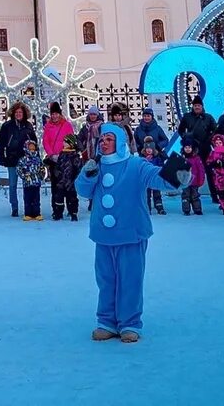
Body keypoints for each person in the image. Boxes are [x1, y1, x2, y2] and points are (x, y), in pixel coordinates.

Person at [75, 123, 187, 343]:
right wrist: (87, 174)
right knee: (106, 280)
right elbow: (83, 190)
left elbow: (158, 178)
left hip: (131, 233)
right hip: (104, 237)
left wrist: (181, 171)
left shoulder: (135, 165)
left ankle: (129, 322)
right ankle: (106, 321)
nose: (104, 143)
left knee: (130, 279)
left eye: (109, 139)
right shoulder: (96, 165)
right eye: (102, 139)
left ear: (120, 142)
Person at [0, 102, 36, 218]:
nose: (18, 114)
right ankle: (14, 207)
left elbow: (33, 141)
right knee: (12, 184)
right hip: (12, 158)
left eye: (20, 112)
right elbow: (1, 143)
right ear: (13, 113)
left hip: (25, 159)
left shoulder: (28, 126)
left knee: (26, 184)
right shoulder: (7, 126)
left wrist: (34, 154)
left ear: (24, 113)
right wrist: (1, 157)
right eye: (17, 112)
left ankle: (27, 206)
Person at [178, 97, 218, 203]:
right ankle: (192, 195)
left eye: (198, 106)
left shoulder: (208, 117)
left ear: (202, 106)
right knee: (191, 172)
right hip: (192, 149)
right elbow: (180, 130)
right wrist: (186, 139)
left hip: (206, 147)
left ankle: (215, 196)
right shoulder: (187, 117)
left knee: (210, 172)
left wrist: (209, 139)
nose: (197, 107)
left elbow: (215, 129)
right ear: (193, 106)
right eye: (195, 105)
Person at [48, 134, 82, 221]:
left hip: (71, 182)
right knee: (58, 198)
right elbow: (58, 165)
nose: (63, 143)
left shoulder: (75, 156)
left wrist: (76, 179)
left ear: (70, 143)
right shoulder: (62, 154)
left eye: (65, 142)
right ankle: (58, 213)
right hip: (61, 181)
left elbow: (78, 169)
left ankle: (73, 213)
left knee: (72, 199)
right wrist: (56, 173)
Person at [138, 136, 166, 214]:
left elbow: (161, 166)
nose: (149, 150)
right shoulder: (142, 159)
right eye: (147, 149)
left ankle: (159, 207)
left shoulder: (157, 158)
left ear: (153, 149)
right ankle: (147, 208)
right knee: (147, 195)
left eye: (150, 149)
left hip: (155, 179)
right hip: (146, 180)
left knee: (157, 194)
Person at [19, 139, 44, 221]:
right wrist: (24, 176)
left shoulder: (37, 159)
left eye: (33, 148)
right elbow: (19, 169)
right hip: (27, 183)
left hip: (36, 183)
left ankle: (37, 213)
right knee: (27, 199)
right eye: (30, 148)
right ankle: (28, 213)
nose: (32, 150)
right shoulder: (23, 160)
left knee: (36, 199)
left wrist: (41, 175)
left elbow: (42, 168)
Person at [179, 137, 205, 216]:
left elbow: (201, 170)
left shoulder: (197, 158)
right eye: (186, 147)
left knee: (195, 196)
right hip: (184, 182)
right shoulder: (181, 158)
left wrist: (201, 180)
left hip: (195, 181)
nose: (187, 149)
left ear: (192, 148)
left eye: (189, 147)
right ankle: (186, 210)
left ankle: (197, 209)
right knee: (185, 196)